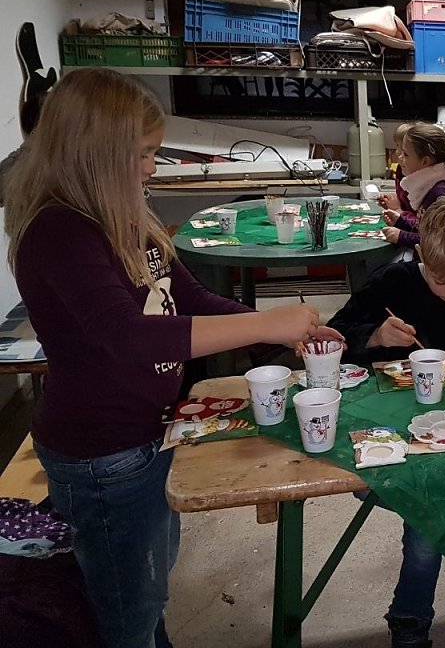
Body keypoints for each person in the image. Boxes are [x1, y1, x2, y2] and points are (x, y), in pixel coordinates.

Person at [2, 67, 341, 648]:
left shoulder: (124, 214)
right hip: (102, 453)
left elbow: (194, 300)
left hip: (152, 433)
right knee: (127, 608)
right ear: (94, 155)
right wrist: (265, 321)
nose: (151, 168)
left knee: (149, 588)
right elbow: (127, 336)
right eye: (141, 154)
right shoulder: (60, 231)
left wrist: (283, 335)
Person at [326, 195, 445, 648]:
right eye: (440, 280)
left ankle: (414, 619)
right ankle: (410, 623)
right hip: (382, 432)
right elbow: (333, 338)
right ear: (421, 253)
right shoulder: (393, 282)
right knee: (432, 511)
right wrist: (373, 336)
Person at [379, 121, 445, 251]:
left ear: (425, 161)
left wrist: (401, 236)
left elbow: (438, 242)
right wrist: (400, 221)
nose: (400, 157)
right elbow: (425, 229)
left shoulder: (440, 196)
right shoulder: (429, 188)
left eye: (406, 154)